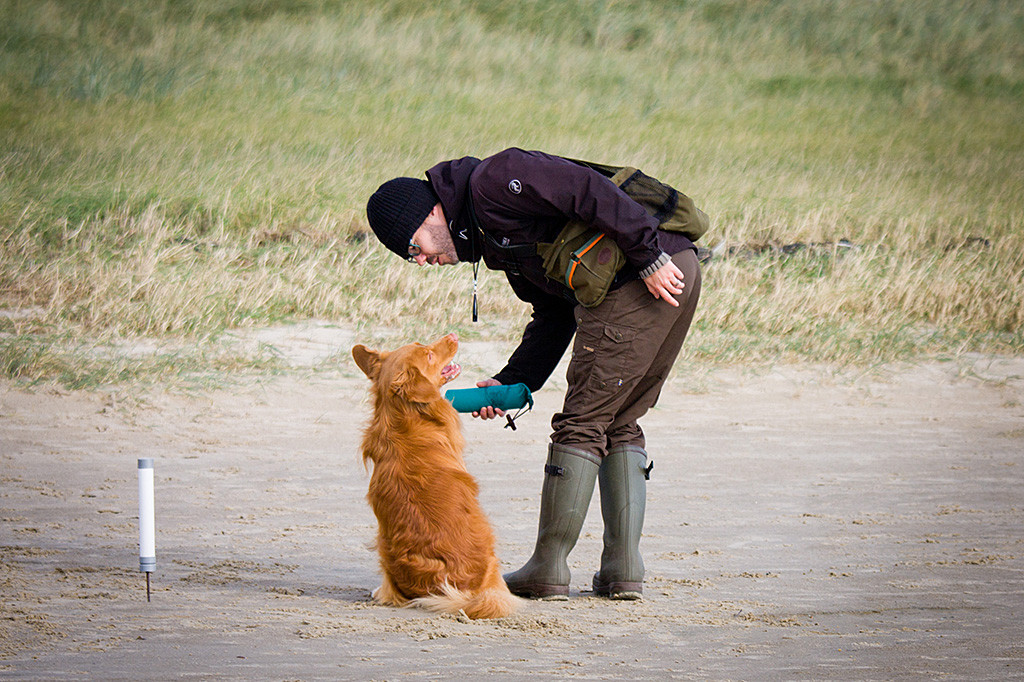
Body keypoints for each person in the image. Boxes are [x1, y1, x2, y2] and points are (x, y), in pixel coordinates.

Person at [365, 148, 703, 600]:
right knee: (619, 420)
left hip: (644, 276)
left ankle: (549, 568)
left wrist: (646, 256)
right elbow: (554, 313)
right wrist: (512, 379)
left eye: (414, 248)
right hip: (673, 269)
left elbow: (587, 189)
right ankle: (623, 570)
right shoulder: (490, 237)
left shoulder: (495, 181)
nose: (422, 261)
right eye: (411, 259)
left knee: (582, 424)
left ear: (428, 214)